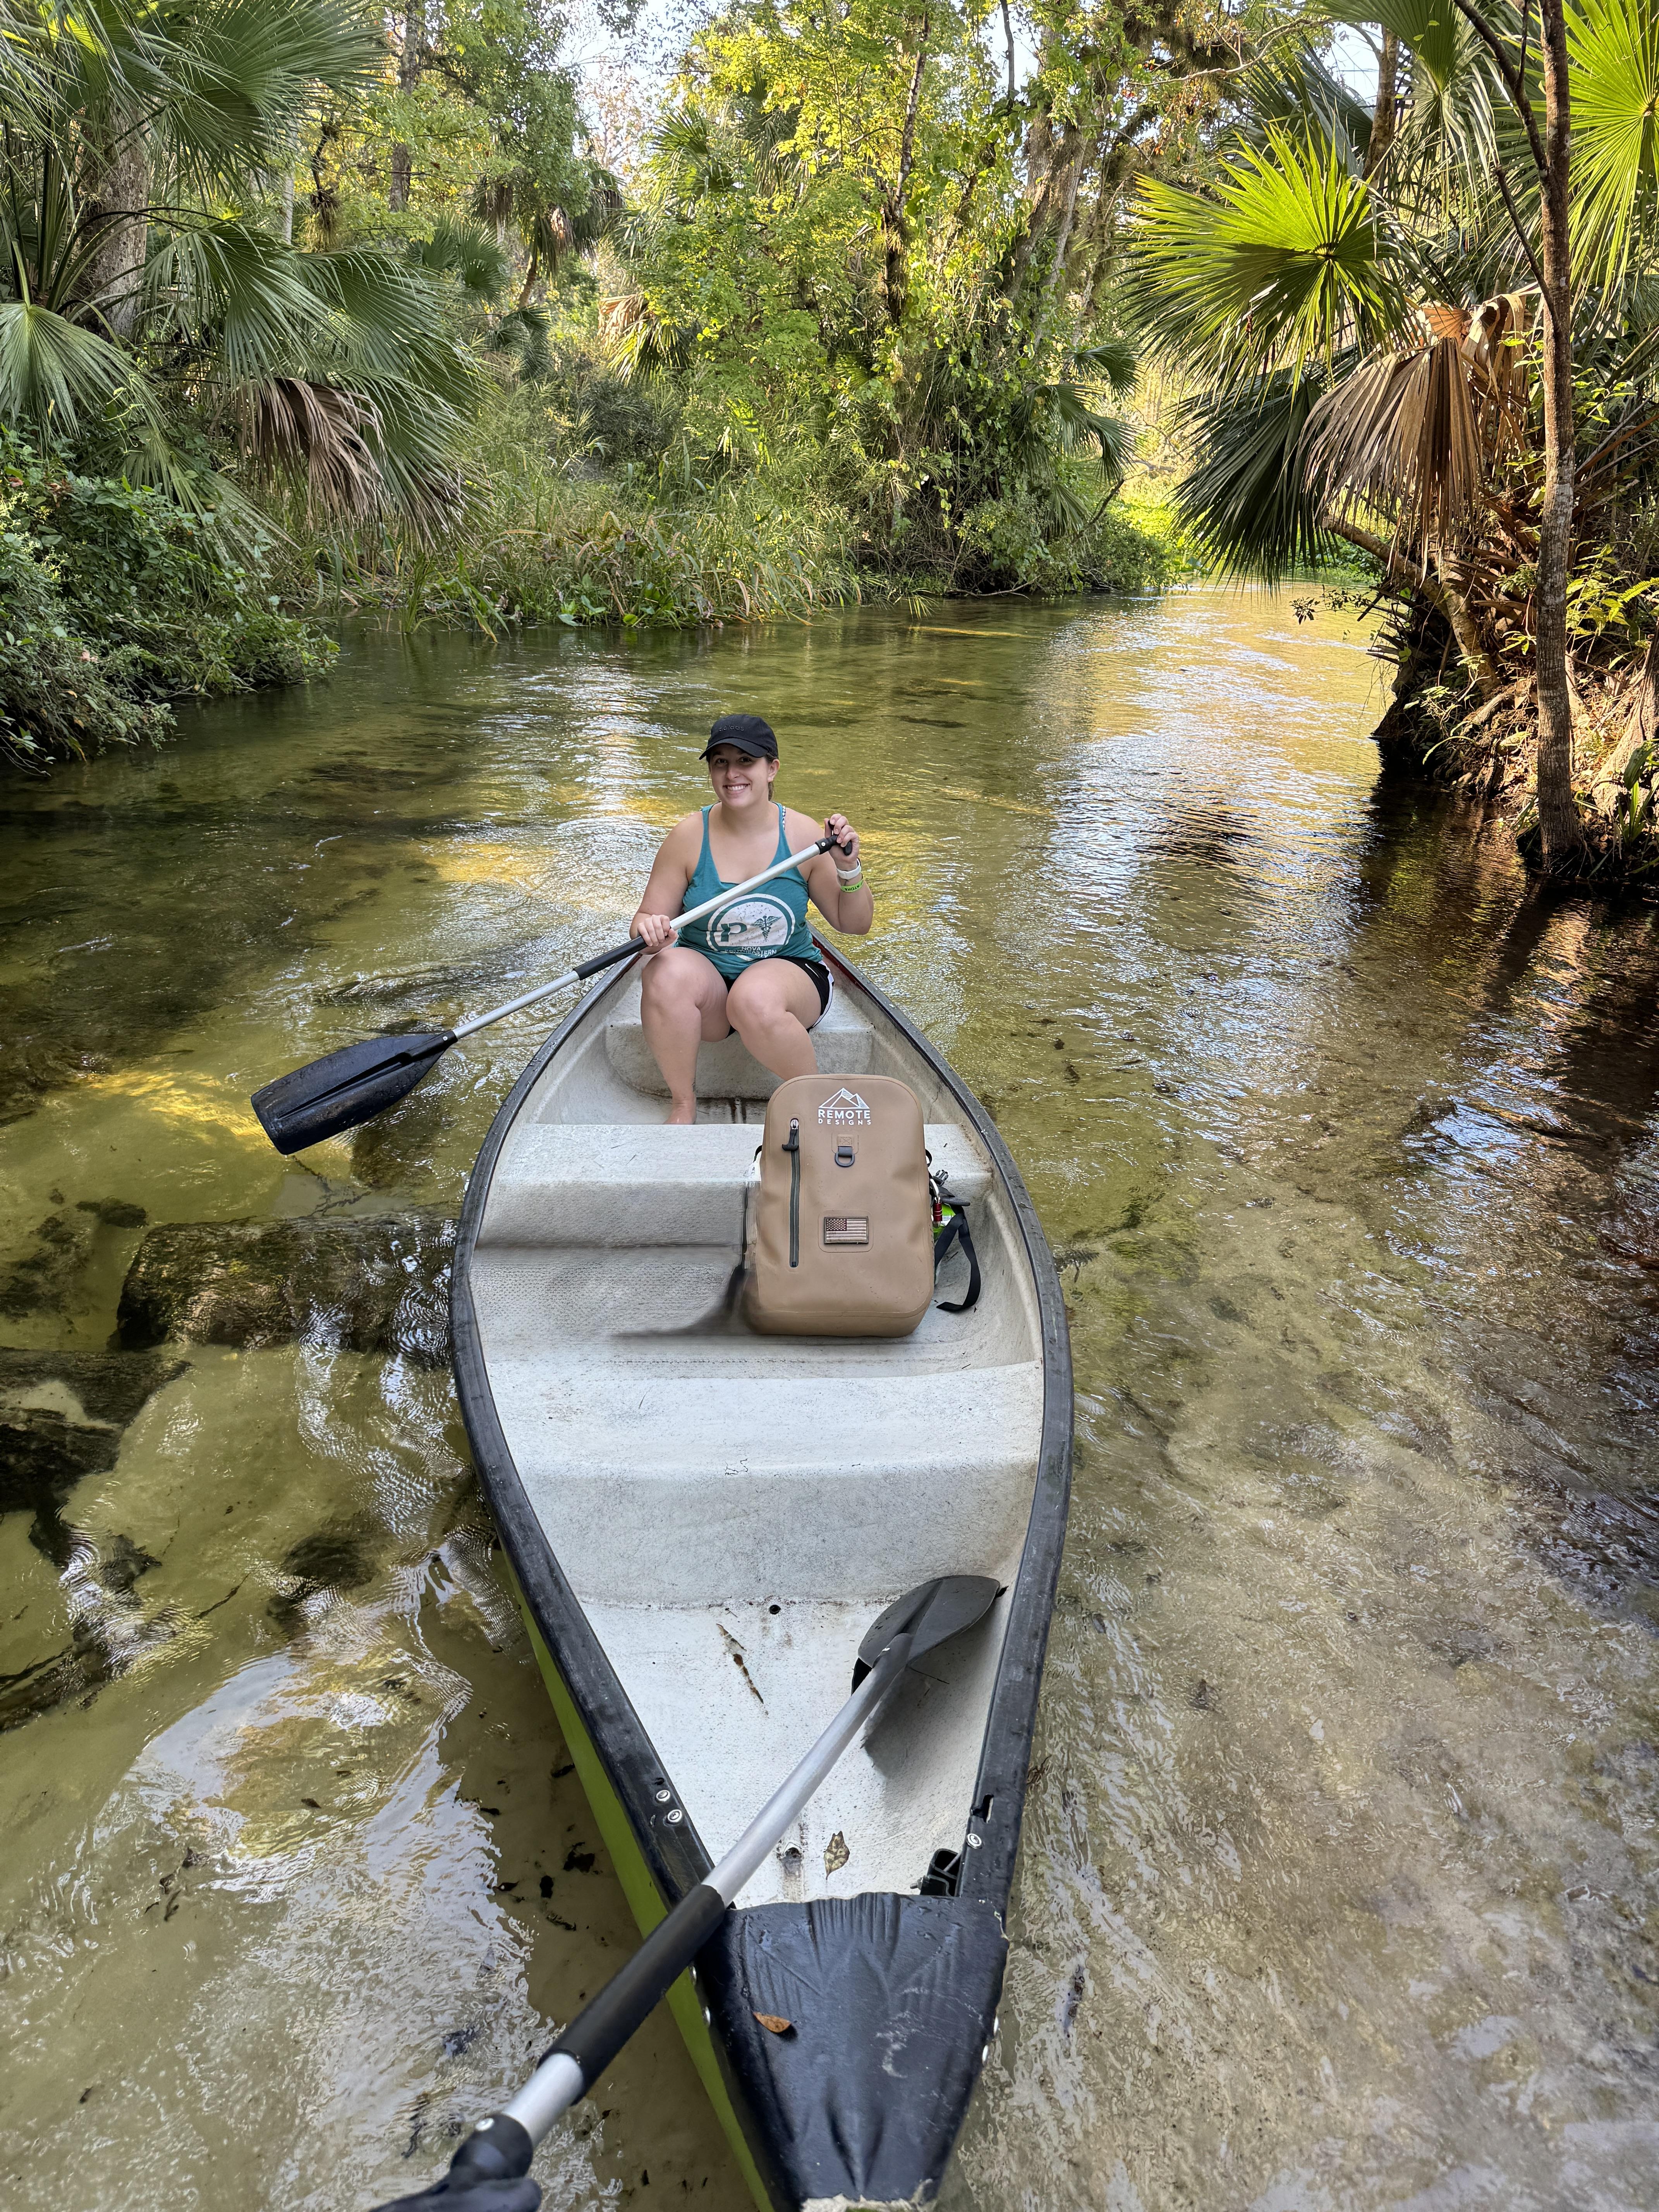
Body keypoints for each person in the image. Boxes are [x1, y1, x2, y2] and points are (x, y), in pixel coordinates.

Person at [629, 713, 872, 1123]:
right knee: (662, 971)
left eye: (746, 761)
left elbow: (855, 924)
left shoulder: (803, 837)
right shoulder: (688, 836)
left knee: (753, 997)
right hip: (711, 988)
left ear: (771, 768)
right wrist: (649, 929)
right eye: (720, 762)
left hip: (790, 980)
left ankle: (816, 1105)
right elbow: (645, 919)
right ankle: (683, 1104)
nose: (732, 774)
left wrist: (849, 869)